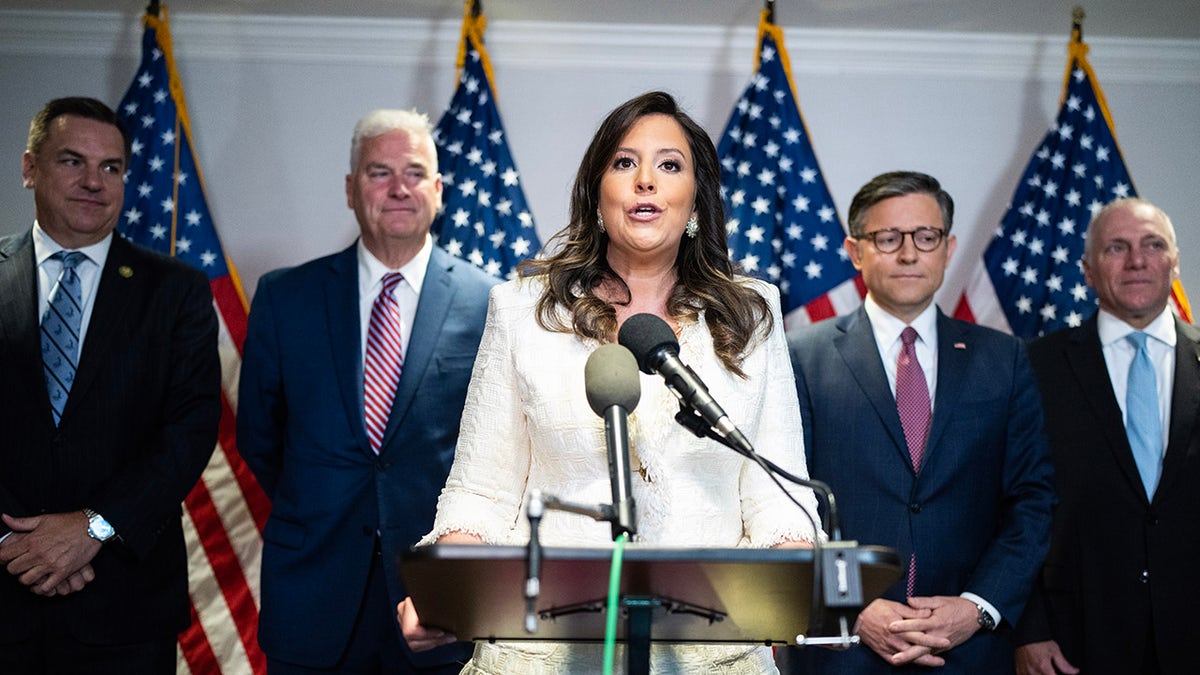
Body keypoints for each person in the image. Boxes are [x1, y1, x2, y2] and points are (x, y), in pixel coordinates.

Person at [396, 91, 821, 673]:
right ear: (597, 195)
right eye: (625, 163)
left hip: (710, 653)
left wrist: (797, 570)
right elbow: (482, 489)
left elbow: (776, 496)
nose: (646, 180)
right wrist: (446, 586)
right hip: (544, 651)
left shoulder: (752, 313)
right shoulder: (522, 309)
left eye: (669, 165)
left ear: (696, 201)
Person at [238, 108, 495, 674]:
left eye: (414, 172)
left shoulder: (493, 304)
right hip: (312, 595)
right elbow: (260, 437)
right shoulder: (285, 298)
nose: (399, 188)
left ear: (438, 190)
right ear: (351, 191)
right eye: (380, 172)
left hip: (437, 603)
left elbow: (498, 453)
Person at [785, 171, 1054, 673]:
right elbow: (787, 505)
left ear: (948, 248)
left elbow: (1033, 500)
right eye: (888, 238)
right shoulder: (800, 356)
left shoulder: (1006, 359)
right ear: (855, 251)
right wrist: (854, 606)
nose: (909, 254)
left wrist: (977, 607)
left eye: (925, 237)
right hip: (844, 649)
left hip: (968, 651)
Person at [0, 97, 220, 672]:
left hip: (125, 605)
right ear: (30, 169)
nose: (94, 182)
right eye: (73, 161)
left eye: (112, 167)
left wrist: (95, 526)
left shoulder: (178, 291)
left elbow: (191, 430)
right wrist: (14, 545)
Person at [1013, 198, 1200, 675]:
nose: (1137, 261)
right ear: (1088, 271)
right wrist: (1028, 628)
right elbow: (1009, 502)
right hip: (1077, 638)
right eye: (1117, 248)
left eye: (1152, 245)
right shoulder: (1034, 367)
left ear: (1174, 262)